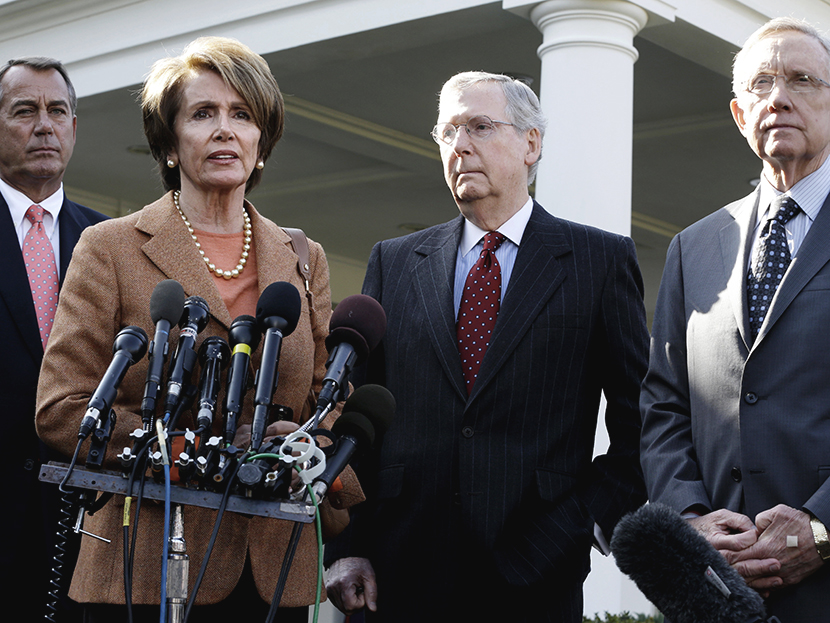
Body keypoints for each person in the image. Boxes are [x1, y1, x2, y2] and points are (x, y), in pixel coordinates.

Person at [35, 37, 362, 622]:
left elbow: (325, 400)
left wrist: (301, 434)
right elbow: (63, 408)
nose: (224, 131)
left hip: (271, 571)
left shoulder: (302, 257)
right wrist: (191, 450)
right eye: (202, 114)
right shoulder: (109, 248)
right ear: (168, 140)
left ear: (261, 140)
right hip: (143, 566)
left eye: (242, 115)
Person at [325, 71, 649, 622]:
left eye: (479, 126)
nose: (460, 145)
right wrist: (348, 542)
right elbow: (358, 418)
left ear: (531, 143)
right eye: (448, 132)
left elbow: (639, 412)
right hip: (400, 568)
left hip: (539, 565)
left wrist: (590, 519)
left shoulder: (599, 261)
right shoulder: (395, 260)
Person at [640, 17, 830, 621]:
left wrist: (822, 527)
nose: (780, 97)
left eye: (802, 80)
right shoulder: (693, 247)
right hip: (719, 590)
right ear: (739, 114)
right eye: (761, 85)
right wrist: (690, 518)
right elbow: (664, 404)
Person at [0, 57, 107, 619]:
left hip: (87, 520)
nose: (45, 125)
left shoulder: (111, 245)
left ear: (72, 127)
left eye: (57, 111)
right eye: (24, 111)